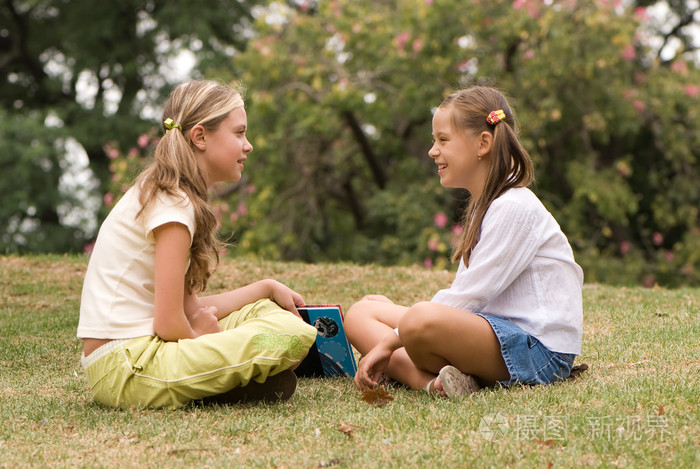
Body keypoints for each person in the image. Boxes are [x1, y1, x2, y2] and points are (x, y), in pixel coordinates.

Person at [77, 80, 318, 409]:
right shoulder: (173, 206)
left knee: (267, 311)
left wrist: (265, 287)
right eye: (239, 133)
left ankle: (221, 382)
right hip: (127, 367)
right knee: (292, 335)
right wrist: (202, 338)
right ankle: (226, 380)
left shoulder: (172, 194)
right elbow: (169, 323)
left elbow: (189, 309)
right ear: (200, 136)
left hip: (139, 355)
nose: (248, 146)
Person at [345, 85, 583, 398]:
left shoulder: (515, 206)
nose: (433, 151)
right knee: (363, 312)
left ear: (483, 143)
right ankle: (436, 385)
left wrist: (390, 342)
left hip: (538, 352)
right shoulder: (486, 208)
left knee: (419, 319)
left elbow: (470, 296)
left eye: (443, 140)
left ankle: (421, 371)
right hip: (495, 333)